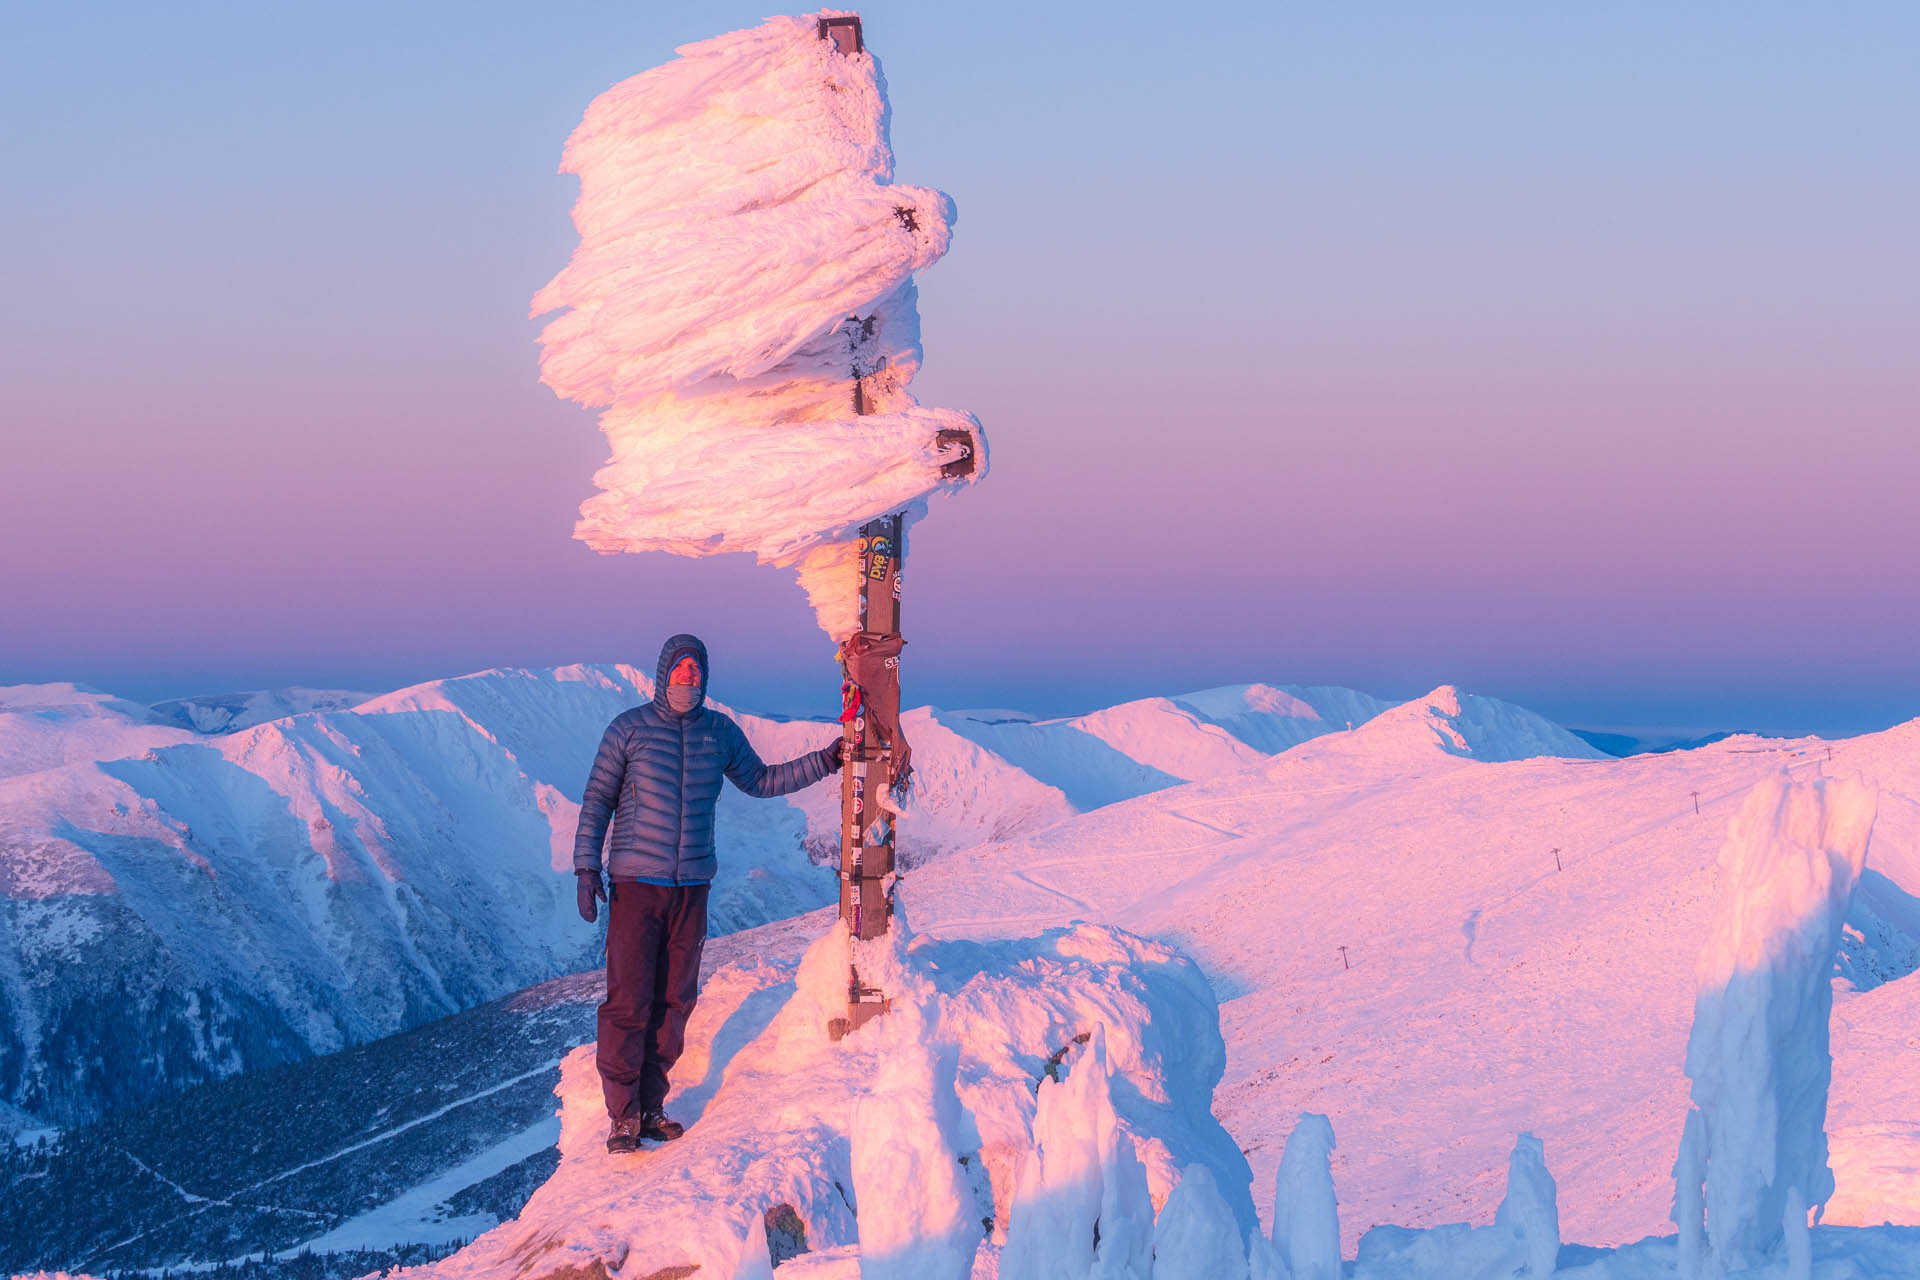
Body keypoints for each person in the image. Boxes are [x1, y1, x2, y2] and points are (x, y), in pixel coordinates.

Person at [572, 633, 842, 1153]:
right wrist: (586, 869)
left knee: (675, 999)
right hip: (636, 885)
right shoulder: (629, 730)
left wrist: (827, 760)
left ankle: (652, 1107)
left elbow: (761, 780)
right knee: (628, 1000)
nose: (689, 678)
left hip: (692, 885)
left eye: (697, 671)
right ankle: (623, 1115)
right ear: (662, 674)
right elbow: (597, 800)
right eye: (681, 669)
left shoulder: (717, 732)